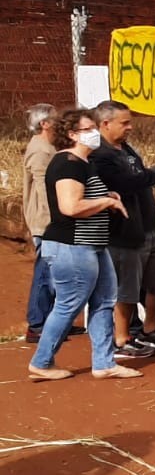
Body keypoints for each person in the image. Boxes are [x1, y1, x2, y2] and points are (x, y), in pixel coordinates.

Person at [28, 108, 140, 382]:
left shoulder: (83, 163)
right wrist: (107, 202)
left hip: (91, 246)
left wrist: (105, 194)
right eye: (87, 128)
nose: (94, 133)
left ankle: (104, 363)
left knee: (104, 302)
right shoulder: (69, 163)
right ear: (71, 134)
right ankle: (42, 362)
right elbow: (70, 206)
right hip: (72, 246)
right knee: (68, 305)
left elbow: (84, 197)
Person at [91, 100, 155, 359]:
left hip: (150, 226)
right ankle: (121, 339)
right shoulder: (100, 155)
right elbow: (125, 183)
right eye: (124, 122)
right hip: (125, 233)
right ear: (105, 124)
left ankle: (150, 328)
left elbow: (140, 176)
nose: (130, 127)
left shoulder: (126, 149)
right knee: (127, 289)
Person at [22, 104, 57, 343]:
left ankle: (50, 321)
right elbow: (45, 189)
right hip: (45, 221)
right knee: (45, 273)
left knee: (52, 272)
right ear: (44, 123)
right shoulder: (41, 150)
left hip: (48, 219)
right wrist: (56, 218)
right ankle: (37, 324)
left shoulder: (47, 146)